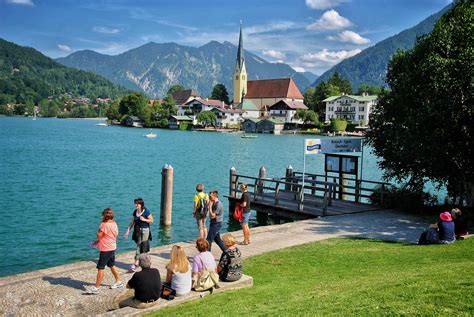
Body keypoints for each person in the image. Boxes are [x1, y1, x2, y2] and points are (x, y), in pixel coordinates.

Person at [86, 208, 123, 294]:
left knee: (100, 268)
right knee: (111, 265)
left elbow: (99, 235)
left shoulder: (104, 225)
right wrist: (98, 242)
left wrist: (99, 230)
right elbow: (113, 235)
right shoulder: (114, 223)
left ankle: (96, 288)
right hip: (112, 247)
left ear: (104, 216)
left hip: (106, 249)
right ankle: (118, 282)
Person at [125, 198, 154, 272]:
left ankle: (138, 263)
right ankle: (140, 262)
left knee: (143, 246)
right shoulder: (135, 212)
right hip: (137, 231)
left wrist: (144, 220)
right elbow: (132, 222)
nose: (135, 205)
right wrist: (128, 230)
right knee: (139, 245)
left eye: (137, 204)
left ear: (141, 204)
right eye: (135, 204)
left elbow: (152, 220)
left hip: (145, 230)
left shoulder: (146, 211)